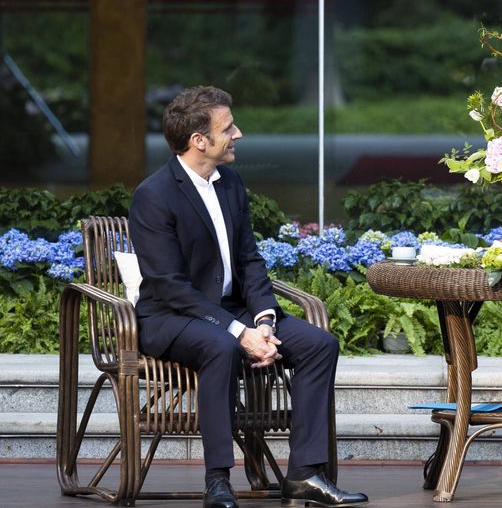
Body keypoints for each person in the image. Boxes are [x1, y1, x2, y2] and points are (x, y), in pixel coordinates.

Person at [130, 86, 368, 508]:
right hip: (169, 318)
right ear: (199, 141)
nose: (238, 133)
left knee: (319, 345)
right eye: (228, 128)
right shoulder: (154, 195)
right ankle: (217, 480)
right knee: (220, 345)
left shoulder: (230, 182)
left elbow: (249, 259)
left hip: (232, 312)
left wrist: (263, 321)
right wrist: (240, 333)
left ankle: (305, 476)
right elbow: (170, 286)